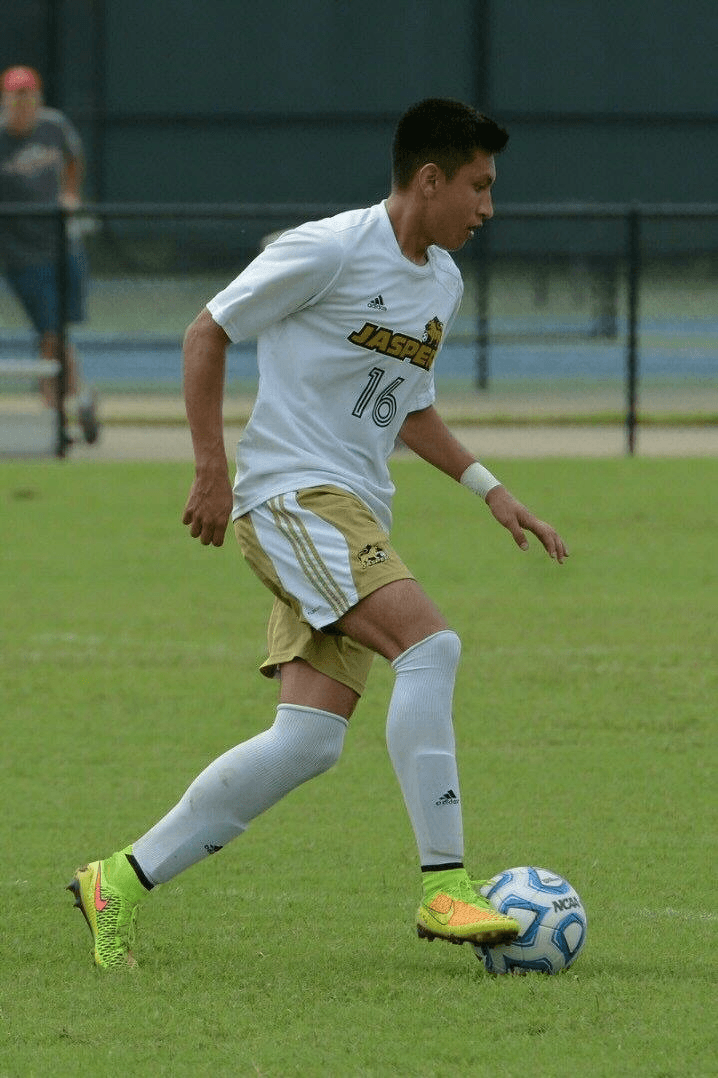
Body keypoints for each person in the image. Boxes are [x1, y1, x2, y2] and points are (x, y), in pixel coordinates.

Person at [67, 98, 568, 971]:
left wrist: (491, 490)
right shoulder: (328, 248)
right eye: (479, 187)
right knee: (432, 646)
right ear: (429, 179)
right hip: (295, 498)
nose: (489, 207)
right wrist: (211, 469)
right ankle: (443, 884)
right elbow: (207, 330)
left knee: (308, 741)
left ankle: (118, 879)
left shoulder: (440, 280)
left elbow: (409, 406)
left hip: (352, 511)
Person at [0, 64, 98, 443]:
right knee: (50, 331)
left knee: (60, 328)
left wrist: (70, 194)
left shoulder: (54, 126)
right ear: (5, 100)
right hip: (22, 251)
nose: (22, 104)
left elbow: (75, 159)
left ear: (37, 99)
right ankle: (59, 409)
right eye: (14, 97)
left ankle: (66, 403)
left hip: (63, 243)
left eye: (28, 96)